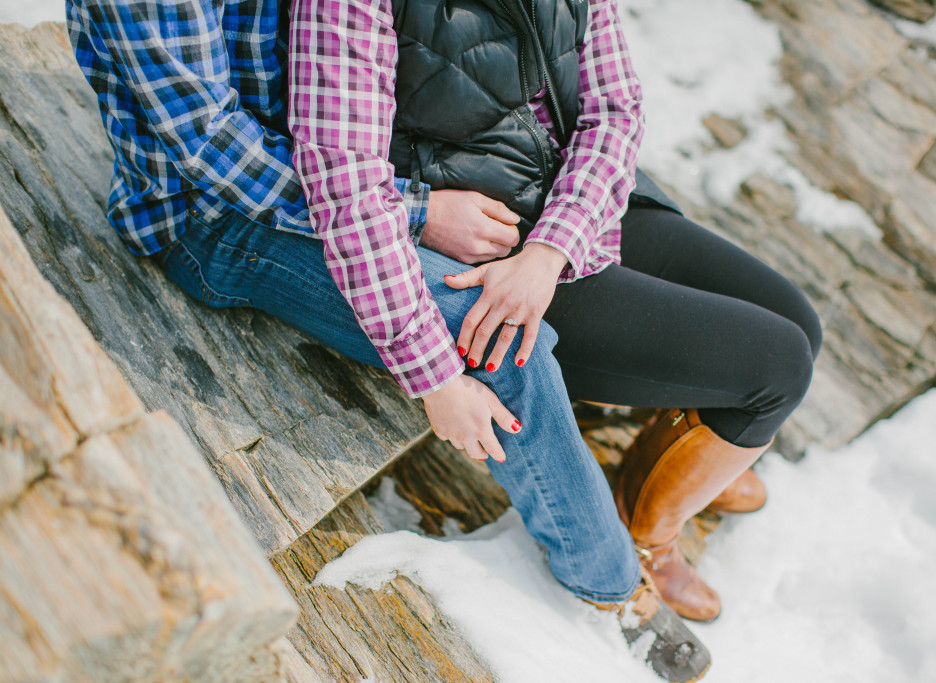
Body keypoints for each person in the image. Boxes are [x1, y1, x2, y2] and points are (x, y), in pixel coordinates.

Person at [64, 1, 816, 680]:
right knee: (490, 336)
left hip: (349, 163)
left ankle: (682, 438)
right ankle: (609, 582)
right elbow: (218, 153)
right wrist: (417, 223)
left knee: (769, 322)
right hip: (219, 216)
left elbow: (604, 101)